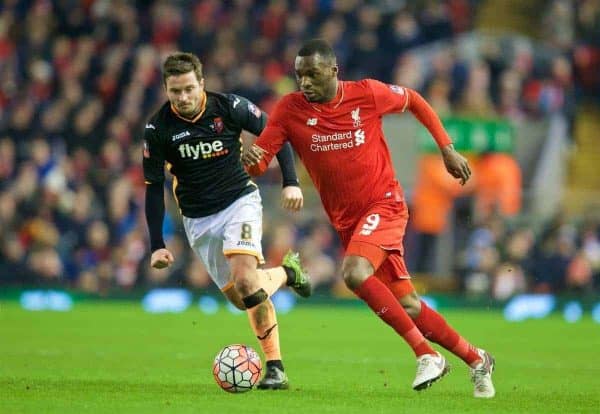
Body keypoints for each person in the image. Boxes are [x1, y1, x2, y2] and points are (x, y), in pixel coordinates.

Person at [244, 39, 495, 398]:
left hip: (385, 205)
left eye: (312, 74)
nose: (305, 83)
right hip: (349, 222)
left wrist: (447, 149)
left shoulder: (367, 94)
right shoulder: (289, 110)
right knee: (407, 304)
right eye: (300, 75)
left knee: (354, 272)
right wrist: (247, 159)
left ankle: (426, 355)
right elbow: (259, 163)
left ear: (333, 71)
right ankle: (478, 359)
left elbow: (416, 101)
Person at [143, 52, 311, 390]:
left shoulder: (229, 107)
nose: (184, 97)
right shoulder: (157, 129)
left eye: (189, 88)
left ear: (202, 83)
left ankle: (275, 368)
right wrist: (157, 246)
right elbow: (152, 186)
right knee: (241, 298)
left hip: (239, 202)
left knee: (247, 282)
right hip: (198, 220)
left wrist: (290, 181)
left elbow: (276, 131)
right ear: (166, 89)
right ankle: (287, 272)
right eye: (176, 91)